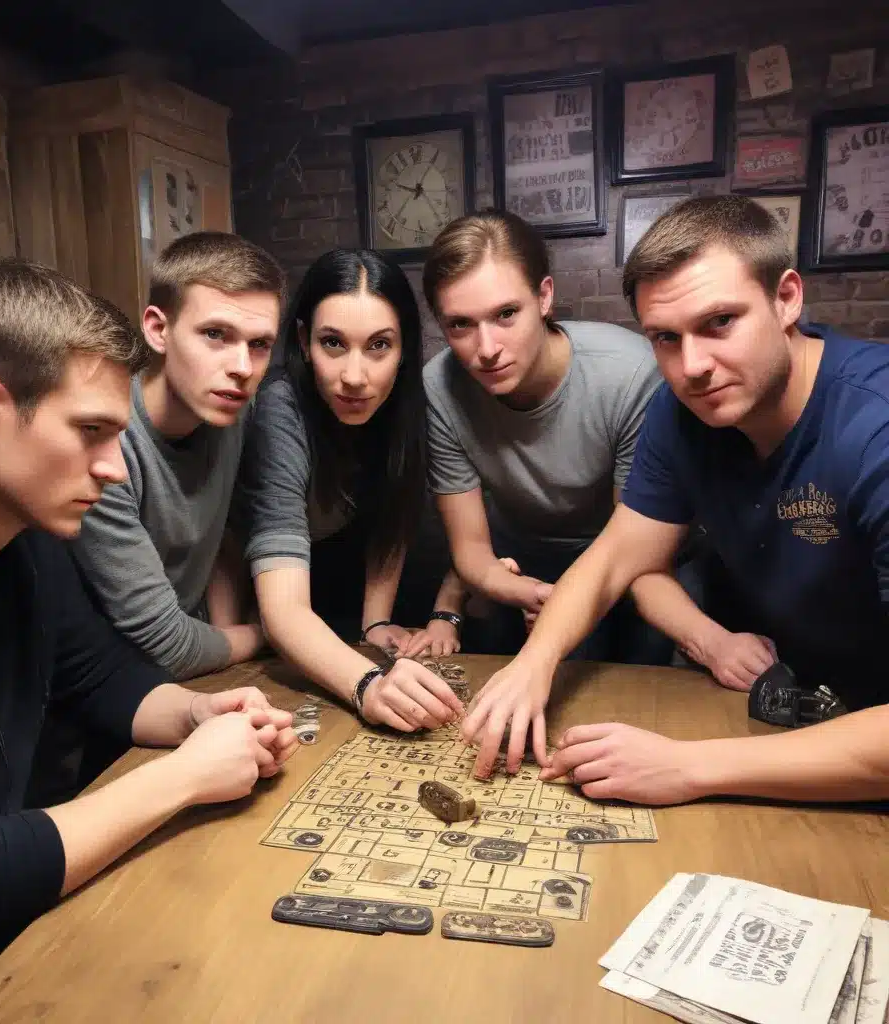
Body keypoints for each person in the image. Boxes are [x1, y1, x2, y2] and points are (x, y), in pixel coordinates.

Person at [0, 259, 297, 1022]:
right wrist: (188, 776)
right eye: (91, 432)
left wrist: (194, 715)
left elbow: (96, 675)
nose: (115, 471)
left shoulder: (19, 531)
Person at [462, 194, 889, 804]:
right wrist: (532, 665)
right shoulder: (679, 409)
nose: (692, 366)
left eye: (720, 322)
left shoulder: (876, 428)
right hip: (791, 704)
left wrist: (688, 767)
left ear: (787, 298)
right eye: (665, 337)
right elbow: (618, 556)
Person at [422, 208, 673, 662]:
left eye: (506, 314)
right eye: (460, 324)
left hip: (625, 556)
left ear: (544, 297)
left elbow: (631, 546)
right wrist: (531, 593)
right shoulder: (439, 386)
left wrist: (566, 607)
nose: (486, 349)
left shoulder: (631, 374)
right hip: (518, 556)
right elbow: (472, 550)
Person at [240, 248, 467, 732]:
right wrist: (368, 686)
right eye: (333, 343)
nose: (355, 377)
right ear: (304, 342)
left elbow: (393, 516)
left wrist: (374, 622)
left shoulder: (406, 406)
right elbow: (282, 610)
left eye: (379, 345)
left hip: (335, 590)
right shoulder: (281, 407)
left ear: (404, 349)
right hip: (264, 597)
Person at [73, 231, 284, 680]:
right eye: (215, 334)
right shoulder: (107, 446)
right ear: (158, 329)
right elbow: (167, 647)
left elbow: (228, 533)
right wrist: (271, 633)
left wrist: (226, 630)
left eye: (259, 344)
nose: (242, 368)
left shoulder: (232, 412)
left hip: (198, 662)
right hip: (109, 685)